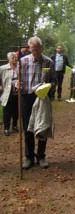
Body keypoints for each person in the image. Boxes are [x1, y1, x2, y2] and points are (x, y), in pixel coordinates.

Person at [20, 37, 55, 169]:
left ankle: (41, 156)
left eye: (38, 49)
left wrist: (49, 87)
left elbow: (54, 81)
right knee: (28, 128)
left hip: (42, 98)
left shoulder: (48, 62)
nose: (36, 51)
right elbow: (15, 79)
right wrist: (16, 84)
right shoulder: (22, 61)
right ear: (29, 48)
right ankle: (29, 157)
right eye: (33, 49)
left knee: (43, 126)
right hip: (26, 97)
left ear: (42, 48)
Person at [0, 52, 18, 136]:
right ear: (9, 59)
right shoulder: (3, 68)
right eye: (12, 57)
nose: (15, 59)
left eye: (15, 57)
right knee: (7, 111)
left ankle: (14, 125)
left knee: (16, 111)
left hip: (18, 93)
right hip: (7, 93)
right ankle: (6, 128)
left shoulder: (20, 67)